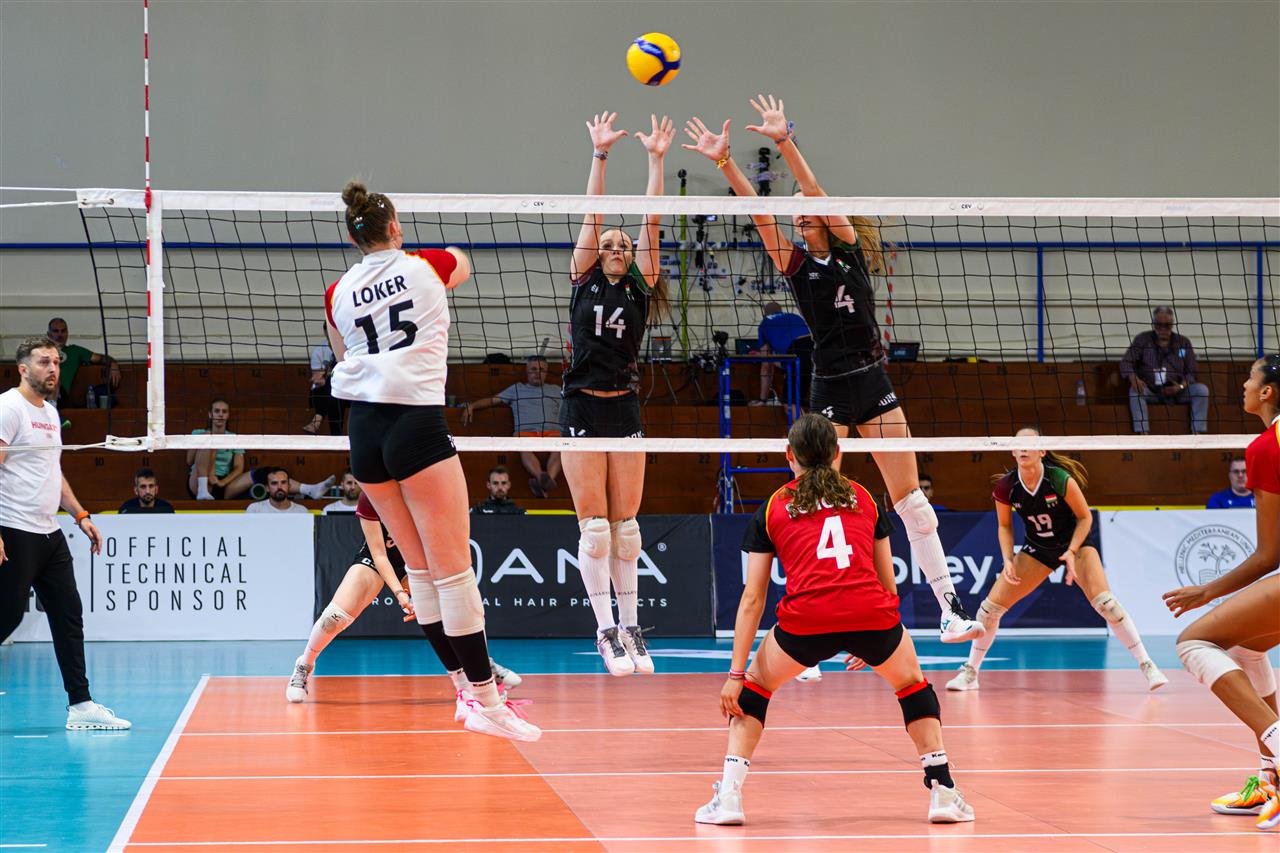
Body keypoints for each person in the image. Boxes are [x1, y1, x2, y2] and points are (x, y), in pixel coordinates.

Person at [684, 94, 982, 644]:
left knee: (914, 504)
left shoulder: (847, 249)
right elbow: (759, 215)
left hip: (873, 380)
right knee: (812, 500)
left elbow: (815, 188)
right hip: (829, 389)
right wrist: (724, 161)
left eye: (806, 206)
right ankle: (803, 616)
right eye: (795, 209)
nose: (799, 212)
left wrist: (784, 141)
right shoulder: (796, 265)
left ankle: (950, 609)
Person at [325, 179, 537, 742]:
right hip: (415, 424)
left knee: (419, 572)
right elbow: (462, 263)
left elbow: (344, 351)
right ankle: (488, 702)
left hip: (363, 432)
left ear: (352, 238)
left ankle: (464, 691)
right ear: (395, 227)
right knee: (454, 574)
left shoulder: (336, 291)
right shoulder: (426, 266)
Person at [696, 413, 973, 826]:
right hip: (872, 616)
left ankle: (730, 798)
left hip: (805, 622)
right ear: (838, 452)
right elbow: (887, 581)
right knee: (913, 685)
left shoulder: (772, 507)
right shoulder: (863, 497)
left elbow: (753, 598)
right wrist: (878, 638)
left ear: (789, 455)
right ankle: (944, 792)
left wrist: (735, 674)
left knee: (754, 689)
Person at [561, 112, 673, 677]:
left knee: (627, 530)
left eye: (622, 245)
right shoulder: (583, 278)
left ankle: (631, 628)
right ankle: (605, 630)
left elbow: (651, 221)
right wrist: (600, 154)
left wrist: (655, 159)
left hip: (624, 406)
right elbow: (593, 213)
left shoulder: (640, 286)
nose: (614, 247)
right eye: (607, 244)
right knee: (596, 530)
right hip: (581, 404)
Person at [945, 427, 1167, 692]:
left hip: (1076, 543)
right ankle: (970, 673)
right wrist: (1008, 558)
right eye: (1018, 444)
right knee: (989, 611)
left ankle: (1147, 665)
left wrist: (1071, 551)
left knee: (1107, 605)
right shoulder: (1007, 486)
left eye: (1030, 444)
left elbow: (1085, 517)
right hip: (1038, 548)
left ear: (1042, 451)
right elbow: (1004, 526)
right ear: (1012, 451)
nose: (1023, 448)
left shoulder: (1059, 478)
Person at [1164, 354, 1280, 830]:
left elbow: (1269, 555)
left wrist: (1206, 591)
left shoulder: (1266, 447)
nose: (1244, 386)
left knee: (1193, 643)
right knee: (1247, 648)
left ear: (1268, 392)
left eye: (1251, 378)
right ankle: (1272, 780)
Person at [0, 336, 129, 729]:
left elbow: (52, 472)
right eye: (44, 362)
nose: (53, 369)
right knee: (7, 617)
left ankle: (81, 705)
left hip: (49, 533)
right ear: (23, 368)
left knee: (69, 615)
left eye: (56, 362)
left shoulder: (52, 414)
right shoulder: (9, 407)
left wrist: (80, 514)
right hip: (14, 528)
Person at [287, 491, 522, 705]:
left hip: (420, 560)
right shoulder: (371, 496)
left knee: (450, 612)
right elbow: (379, 554)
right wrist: (401, 593)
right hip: (378, 559)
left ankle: (481, 665)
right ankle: (304, 665)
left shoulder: (425, 490)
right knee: (334, 618)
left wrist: (421, 590)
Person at [187, 398, 334, 501]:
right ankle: (203, 491)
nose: (220, 414)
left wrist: (222, 482)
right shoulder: (198, 433)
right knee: (208, 440)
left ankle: (309, 489)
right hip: (199, 481)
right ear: (210, 414)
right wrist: (204, 439)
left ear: (228, 415)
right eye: (217, 411)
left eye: (224, 411)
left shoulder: (233, 437)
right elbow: (189, 461)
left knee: (266, 472)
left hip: (225, 484)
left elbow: (238, 468)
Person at [463, 355, 563, 497]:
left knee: (562, 448)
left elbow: (572, 407)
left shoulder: (556, 390)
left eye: (541, 369)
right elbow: (493, 400)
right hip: (525, 433)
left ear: (546, 372)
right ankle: (543, 480)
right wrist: (472, 406)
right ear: (527, 371)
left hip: (553, 433)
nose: (537, 373)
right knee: (523, 447)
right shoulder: (517, 389)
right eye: (533, 369)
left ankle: (544, 482)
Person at [1119, 306, 1210, 435]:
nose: (1162, 329)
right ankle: (1142, 434)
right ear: (1153, 324)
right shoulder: (1142, 340)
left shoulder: (1183, 342)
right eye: (1159, 325)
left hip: (1178, 391)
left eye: (1166, 325)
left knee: (1201, 390)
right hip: (1151, 390)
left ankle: (1197, 433)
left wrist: (1180, 386)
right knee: (1135, 392)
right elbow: (1126, 362)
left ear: (1172, 324)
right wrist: (1133, 378)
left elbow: (1192, 372)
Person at [46, 317, 120, 408]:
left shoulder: (75, 351)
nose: (60, 334)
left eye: (63, 331)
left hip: (60, 396)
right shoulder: (41, 350)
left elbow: (101, 358)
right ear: (49, 334)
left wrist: (113, 364)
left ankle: (51, 410)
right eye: (56, 331)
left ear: (67, 333)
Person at [751, 301, 811, 408]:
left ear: (765, 314)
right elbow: (786, 362)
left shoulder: (765, 323)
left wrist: (762, 400)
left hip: (797, 353)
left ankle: (804, 421)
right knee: (811, 400)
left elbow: (766, 366)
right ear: (781, 311)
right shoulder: (795, 316)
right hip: (815, 351)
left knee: (789, 405)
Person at [303, 333, 347, 436]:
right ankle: (336, 435)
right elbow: (317, 379)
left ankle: (318, 418)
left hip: (344, 390)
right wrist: (323, 377)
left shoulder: (349, 349)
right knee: (331, 388)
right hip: (321, 392)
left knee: (335, 389)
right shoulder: (319, 351)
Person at [245, 467, 310, 514]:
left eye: (283, 482)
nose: (279, 487)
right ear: (267, 488)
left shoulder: (302, 511)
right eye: (274, 483)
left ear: (289, 486)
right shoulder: (254, 509)